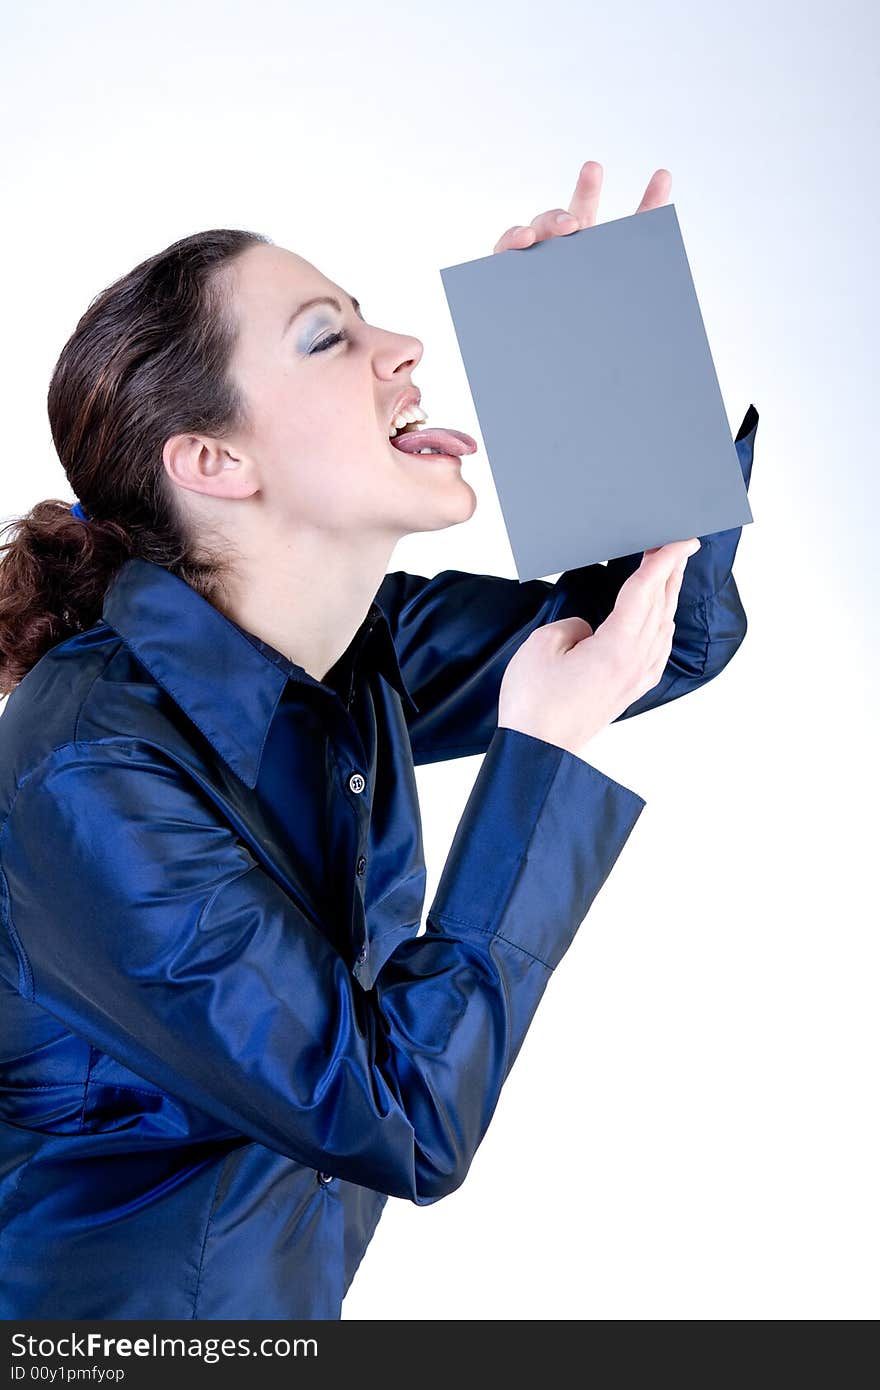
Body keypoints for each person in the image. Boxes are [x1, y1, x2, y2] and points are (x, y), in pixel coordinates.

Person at [0, 176, 758, 1319]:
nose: (403, 346)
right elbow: (401, 1114)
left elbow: (667, 636)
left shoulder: (360, 644)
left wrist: (599, 356)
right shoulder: (88, 770)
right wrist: (535, 754)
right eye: (328, 339)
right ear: (213, 462)